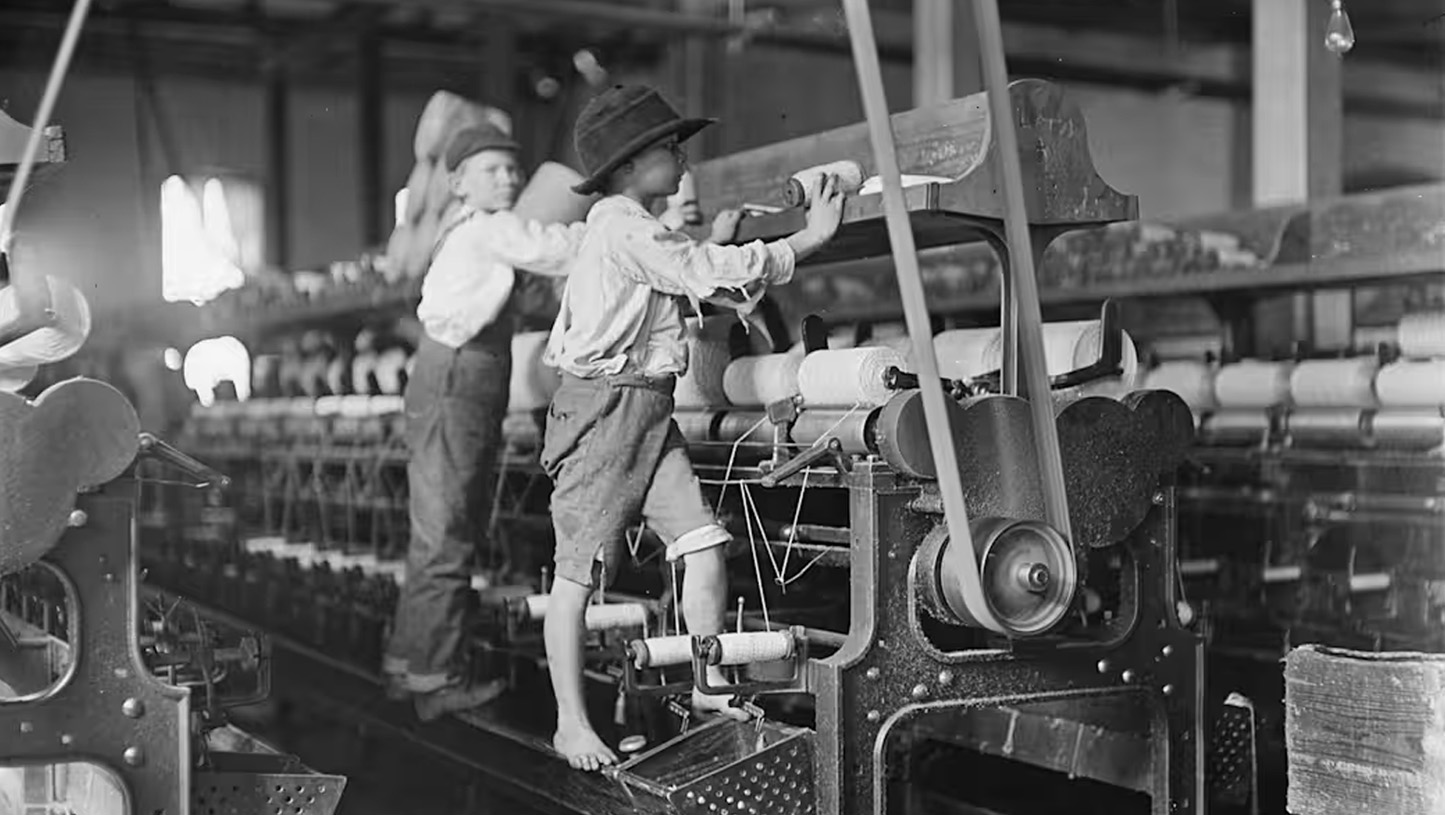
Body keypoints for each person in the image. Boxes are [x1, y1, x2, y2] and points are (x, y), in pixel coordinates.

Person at [540, 84, 845, 771]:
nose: (682, 159)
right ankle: (568, 722)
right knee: (577, 575)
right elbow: (701, 271)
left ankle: (707, 683)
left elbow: (695, 270)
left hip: (648, 406)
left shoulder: (636, 226)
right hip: (603, 411)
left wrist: (729, 248)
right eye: (668, 149)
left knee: (703, 544)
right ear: (625, 167)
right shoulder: (622, 225)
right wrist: (807, 240)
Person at [384, 123, 586, 722]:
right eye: (492, 170)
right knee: (450, 532)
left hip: (446, 378)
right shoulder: (492, 228)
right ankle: (437, 681)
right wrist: (621, 225)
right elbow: (561, 249)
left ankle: (410, 664)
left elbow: (525, 292)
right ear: (458, 183)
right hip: (459, 383)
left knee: (436, 533)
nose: (508, 178)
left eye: (511, 169)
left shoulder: (469, 233)